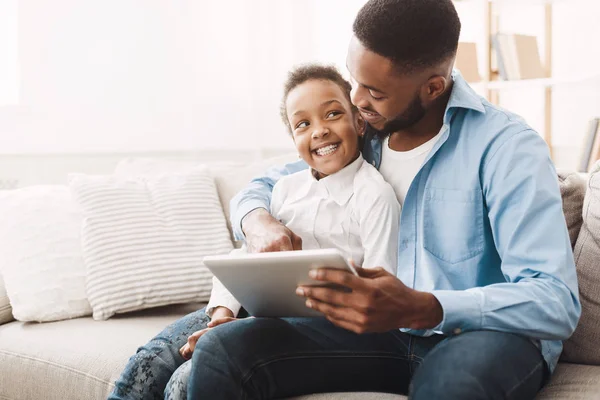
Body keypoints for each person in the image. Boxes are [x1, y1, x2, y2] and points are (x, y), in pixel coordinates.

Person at [185, 0, 581, 399]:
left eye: (374, 92)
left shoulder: (507, 148)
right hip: (378, 335)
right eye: (354, 80)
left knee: (452, 388)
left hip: (478, 337)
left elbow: (555, 299)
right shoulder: (365, 134)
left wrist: (425, 306)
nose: (356, 100)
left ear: (432, 88)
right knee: (223, 349)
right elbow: (266, 186)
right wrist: (258, 220)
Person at [108, 64, 401, 400]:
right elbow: (247, 259)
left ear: (359, 122)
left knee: (183, 381)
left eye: (332, 114)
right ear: (294, 141)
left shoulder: (374, 195)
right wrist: (222, 315)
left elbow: (382, 290)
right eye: (303, 124)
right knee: (150, 361)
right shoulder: (285, 190)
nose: (318, 131)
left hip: (309, 330)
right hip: (247, 310)